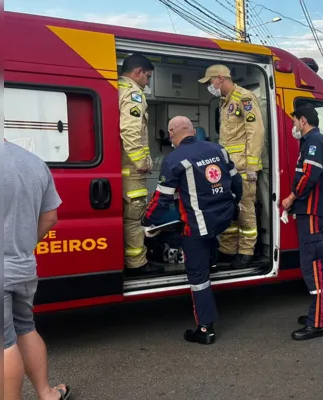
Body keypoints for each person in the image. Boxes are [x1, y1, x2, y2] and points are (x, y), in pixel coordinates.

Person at [142, 116, 243, 345]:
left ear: (171, 135)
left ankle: (205, 329)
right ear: (192, 130)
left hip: (198, 227)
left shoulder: (175, 159)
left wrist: (147, 221)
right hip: (221, 220)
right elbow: (236, 183)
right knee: (208, 245)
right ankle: (212, 261)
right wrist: (234, 204)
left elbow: (162, 199)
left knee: (198, 278)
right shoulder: (219, 149)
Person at [3, 139, 71, 400]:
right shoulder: (34, 162)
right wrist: (26, 244)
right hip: (23, 267)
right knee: (25, 328)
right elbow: (50, 217)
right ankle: (47, 393)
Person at [199, 64, 264, 267]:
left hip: (244, 167)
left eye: (210, 82)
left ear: (220, 78)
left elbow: (256, 132)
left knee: (245, 209)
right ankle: (227, 249)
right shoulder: (224, 102)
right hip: (228, 167)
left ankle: (246, 250)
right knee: (228, 208)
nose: (210, 86)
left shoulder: (244, 98)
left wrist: (252, 167)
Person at [280, 105, 323, 341]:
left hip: (312, 213)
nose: (293, 127)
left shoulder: (314, 142)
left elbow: (309, 175)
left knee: (314, 267)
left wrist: (291, 198)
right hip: (313, 213)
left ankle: (318, 322)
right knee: (321, 265)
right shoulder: (314, 141)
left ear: (303, 120)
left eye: (294, 122)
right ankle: (322, 313)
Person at [119, 53, 161, 276]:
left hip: (121, 168)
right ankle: (138, 265)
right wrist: (141, 162)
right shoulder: (133, 93)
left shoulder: (114, 88)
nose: (147, 82)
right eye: (148, 77)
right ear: (138, 72)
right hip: (131, 172)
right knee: (134, 219)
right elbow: (130, 130)